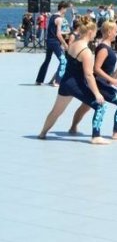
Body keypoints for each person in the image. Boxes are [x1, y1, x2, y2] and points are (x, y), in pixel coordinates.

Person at [38, 16, 109, 145]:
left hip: (66, 83)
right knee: (100, 105)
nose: (95, 34)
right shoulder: (86, 51)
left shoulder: (73, 44)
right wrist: (97, 93)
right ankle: (96, 136)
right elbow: (88, 75)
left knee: (56, 111)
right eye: (95, 32)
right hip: (76, 84)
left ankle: (42, 132)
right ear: (90, 32)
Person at [68, 21, 117, 140]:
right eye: (115, 31)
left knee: (85, 106)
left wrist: (110, 79)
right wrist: (112, 79)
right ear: (109, 32)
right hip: (99, 84)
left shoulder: (105, 47)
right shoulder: (103, 49)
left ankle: (73, 127)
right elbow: (96, 69)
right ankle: (116, 132)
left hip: (101, 83)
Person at [35, 0, 71, 86]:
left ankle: (39, 80)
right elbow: (58, 34)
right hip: (55, 43)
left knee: (47, 61)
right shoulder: (59, 19)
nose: (66, 11)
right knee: (63, 61)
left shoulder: (52, 17)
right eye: (66, 9)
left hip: (49, 41)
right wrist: (65, 44)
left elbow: (52, 30)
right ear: (62, 8)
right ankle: (57, 81)